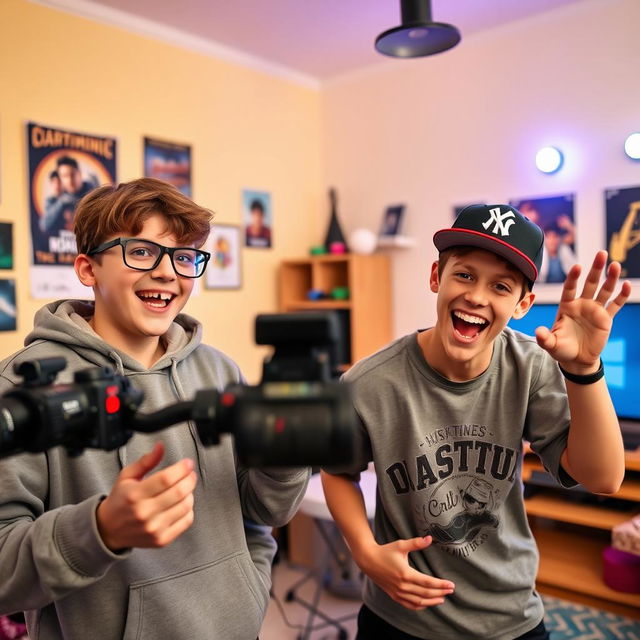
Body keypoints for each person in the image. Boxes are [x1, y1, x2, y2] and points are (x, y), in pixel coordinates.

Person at [0, 177, 310, 640]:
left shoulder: (220, 371)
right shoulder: (22, 391)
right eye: (142, 252)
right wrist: (101, 529)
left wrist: (284, 464)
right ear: (88, 268)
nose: (169, 273)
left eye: (184, 257)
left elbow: (264, 512)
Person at [321, 203, 630, 640]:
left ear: (522, 304)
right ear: (436, 277)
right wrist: (365, 552)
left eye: (500, 286)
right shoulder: (369, 382)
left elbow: (604, 479)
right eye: (464, 275)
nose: (477, 296)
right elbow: (336, 471)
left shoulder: (531, 368)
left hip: (510, 618)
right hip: (400, 618)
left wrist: (584, 369)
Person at [40, 155, 99, 235]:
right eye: (65, 176)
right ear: (60, 178)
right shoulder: (54, 199)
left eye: (72, 174)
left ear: (79, 173)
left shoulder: (94, 192)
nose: (70, 180)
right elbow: (44, 226)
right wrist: (61, 203)